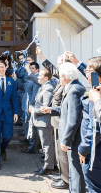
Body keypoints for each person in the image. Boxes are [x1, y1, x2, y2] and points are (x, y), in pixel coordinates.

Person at [42, 62, 86, 193]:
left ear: (64, 76)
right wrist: (51, 109)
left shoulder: (74, 90)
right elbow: (66, 109)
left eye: (60, 76)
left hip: (74, 139)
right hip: (71, 137)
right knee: (73, 172)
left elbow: (73, 118)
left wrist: (65, 140)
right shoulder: (72, 87)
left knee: (76, 172)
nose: (59, 78)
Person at [68, 55, 101, 192]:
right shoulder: (96, 86)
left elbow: (95, 128)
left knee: (94, 187)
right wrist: (76, 62)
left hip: (94, 152)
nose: (85, 74)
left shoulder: (96, 96)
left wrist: (83, 149)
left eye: (87, 71)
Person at [28, 69, 54, 175]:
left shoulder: (48, 88)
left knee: (47, 145)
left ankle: (47, 168)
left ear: (46, 77)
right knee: (45, 145)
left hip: (45, 122)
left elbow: (46, 108)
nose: (38, 77)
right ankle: (50, 165)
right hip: (41, 122)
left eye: (40, 76)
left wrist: (33, 110)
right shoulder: (44, 87)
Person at [20, 62, 40, 143]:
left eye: (32, 68)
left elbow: (34, 93)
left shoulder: (37, 78)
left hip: (30, 103)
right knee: (26, 121)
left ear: (37, 69)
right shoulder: (31, 77)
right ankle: (28, 139)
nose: (31, 70)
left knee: (30, 123)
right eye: (30, 68)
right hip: (26, 101)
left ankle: (32, 144)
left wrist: (31, 105)